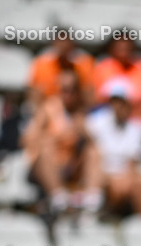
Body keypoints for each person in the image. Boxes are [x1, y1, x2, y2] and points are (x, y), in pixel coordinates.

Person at [22, 69, 103, 216]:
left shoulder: (81, 113)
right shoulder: (48, 109)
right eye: (64, 90)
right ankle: (58, 197)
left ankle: (92, 199)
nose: (67, 95)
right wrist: (55, 138)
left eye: (72, 90)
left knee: (93, 150)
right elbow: (28, 138)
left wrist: (83, 132)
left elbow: (95, 143)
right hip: (49, 165)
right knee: (46, 146)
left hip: (73, 165)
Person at [85, 78, 141, 216]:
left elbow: (133, 163)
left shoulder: (138, 127)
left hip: (124, 176)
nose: (117, 106)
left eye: (121, 102)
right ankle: (92, 204)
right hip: (102, 174)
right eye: (114, 102)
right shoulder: (95, 122)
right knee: (92, 154)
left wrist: (122, 181)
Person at [27, 34, 95, 107]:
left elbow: (89, 94)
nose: (63, 45)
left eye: (66, 41)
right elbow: (34, 94)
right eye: (60, 41)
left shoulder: (84, 64)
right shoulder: (41, 64)